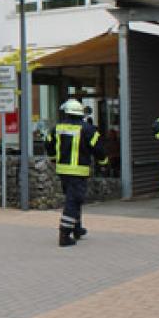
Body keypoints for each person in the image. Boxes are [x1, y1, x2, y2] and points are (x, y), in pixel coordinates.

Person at [45, 98, 108, 247]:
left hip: (62, 171)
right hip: (78, 171)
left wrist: (54, 158)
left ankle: (77, 228)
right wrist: (103, 163)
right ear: (81, 114)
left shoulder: (57, 128)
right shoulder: (88, 129)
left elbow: (48, 143)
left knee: (74, 198)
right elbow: (99, 149)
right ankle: (65, 235)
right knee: (73, 201)